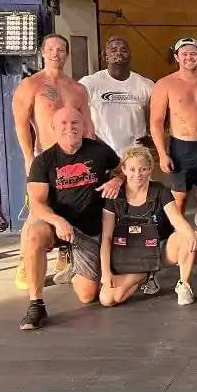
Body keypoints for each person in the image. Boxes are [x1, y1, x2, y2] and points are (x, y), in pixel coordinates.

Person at [18, 107, 123, 330]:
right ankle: (36, 303)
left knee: (87, 296)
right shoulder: (44, 161)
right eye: (63, 124)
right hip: (58, 226)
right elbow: (36, 204)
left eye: (75, 122)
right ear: (53, 128)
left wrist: (117, 180)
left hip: (90, 229)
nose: (70, 128)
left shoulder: (99, 151)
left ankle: (72, 267)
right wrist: (57, 221)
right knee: (34, 233)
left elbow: (123, 169)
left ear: (83, 125)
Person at [11, 34, 95, 286]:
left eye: (61, 50)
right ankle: (25, 264)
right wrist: (28, 157)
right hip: (45, 159)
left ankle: (65, 256)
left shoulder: (78, 88)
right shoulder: (31, 85)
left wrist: (94, 157)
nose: (56, 54)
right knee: (38, 212)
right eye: (51, 49)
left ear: (66, 55)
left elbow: (88, 126)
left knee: (72, 207)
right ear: (43, 52)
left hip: (75, 160)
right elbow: (21, 124)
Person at [99, 146, 197, 307]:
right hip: (129, 254)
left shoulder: (161, 191)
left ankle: (183, 285)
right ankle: (147, 275)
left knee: (185, 238)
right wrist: (105, 272)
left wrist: (189, 232)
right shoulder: (114, 196)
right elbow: (107, 237)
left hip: (157, 250)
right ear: (124, 169)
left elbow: (177, 220)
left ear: (150, 169)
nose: (137, 174)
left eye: (143, 169)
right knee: (108, 299)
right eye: (132, 169)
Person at [150, 37, 197, 217]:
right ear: (177, 57)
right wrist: (162, 154)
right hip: (181, 146)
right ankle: (180, 237)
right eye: (184, 54)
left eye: (193, 54)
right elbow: (156, 122)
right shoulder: (164, 84)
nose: (189, 57)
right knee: (179, 197)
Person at [79, 36, 154, 156]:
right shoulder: (89, 83)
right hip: (102, 151)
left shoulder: (146, 85)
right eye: (113, 50)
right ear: (105, 56)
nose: (119, 52)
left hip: (136, 153)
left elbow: (159, 115)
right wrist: (88, 136)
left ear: (130, 55)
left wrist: (152, 135)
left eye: (124, 50)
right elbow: (76, 112)